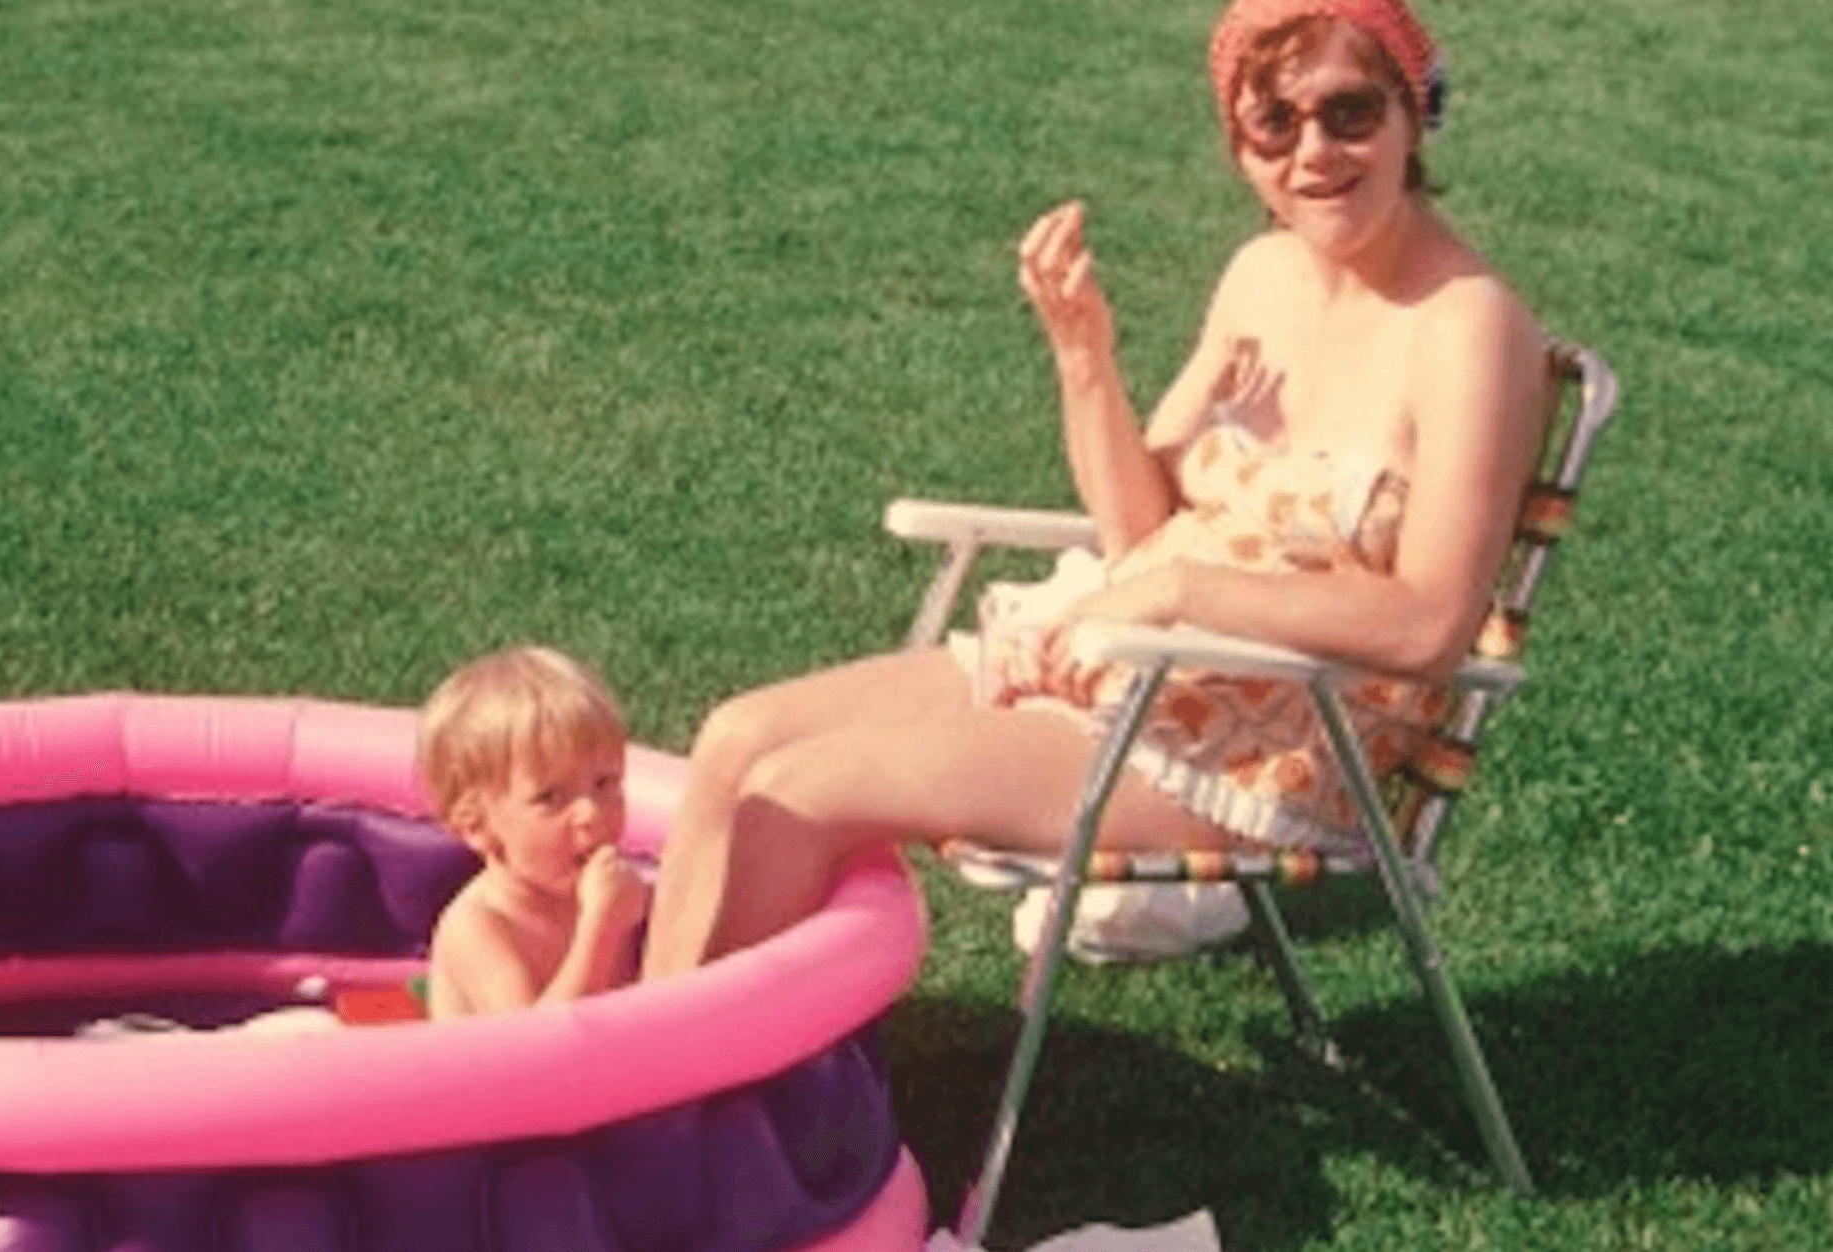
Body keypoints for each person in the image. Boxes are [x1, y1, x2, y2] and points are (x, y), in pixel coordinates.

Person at [641, 0, 1552, 978]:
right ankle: (623, 1059)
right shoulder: (1264, 272)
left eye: (1351, 113)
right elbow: (1139, 528)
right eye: (1274, 124)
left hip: (1270, 747)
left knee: (805, 792)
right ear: (1239, 145)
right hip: (1129, 663)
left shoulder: (1469, 327)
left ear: (1416, 115)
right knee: (737, 738)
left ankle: (690, 1107)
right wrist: (1085, 355)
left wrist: (1177, 592)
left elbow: (1427, 627)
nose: (1313, 153)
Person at [418, 646, 652, 1019]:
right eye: (550, 798)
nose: (590, 813)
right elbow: (535, 1054)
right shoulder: (480, 927)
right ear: (477, 826)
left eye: (605, 782)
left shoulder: (615, 894)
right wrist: (602, 932)